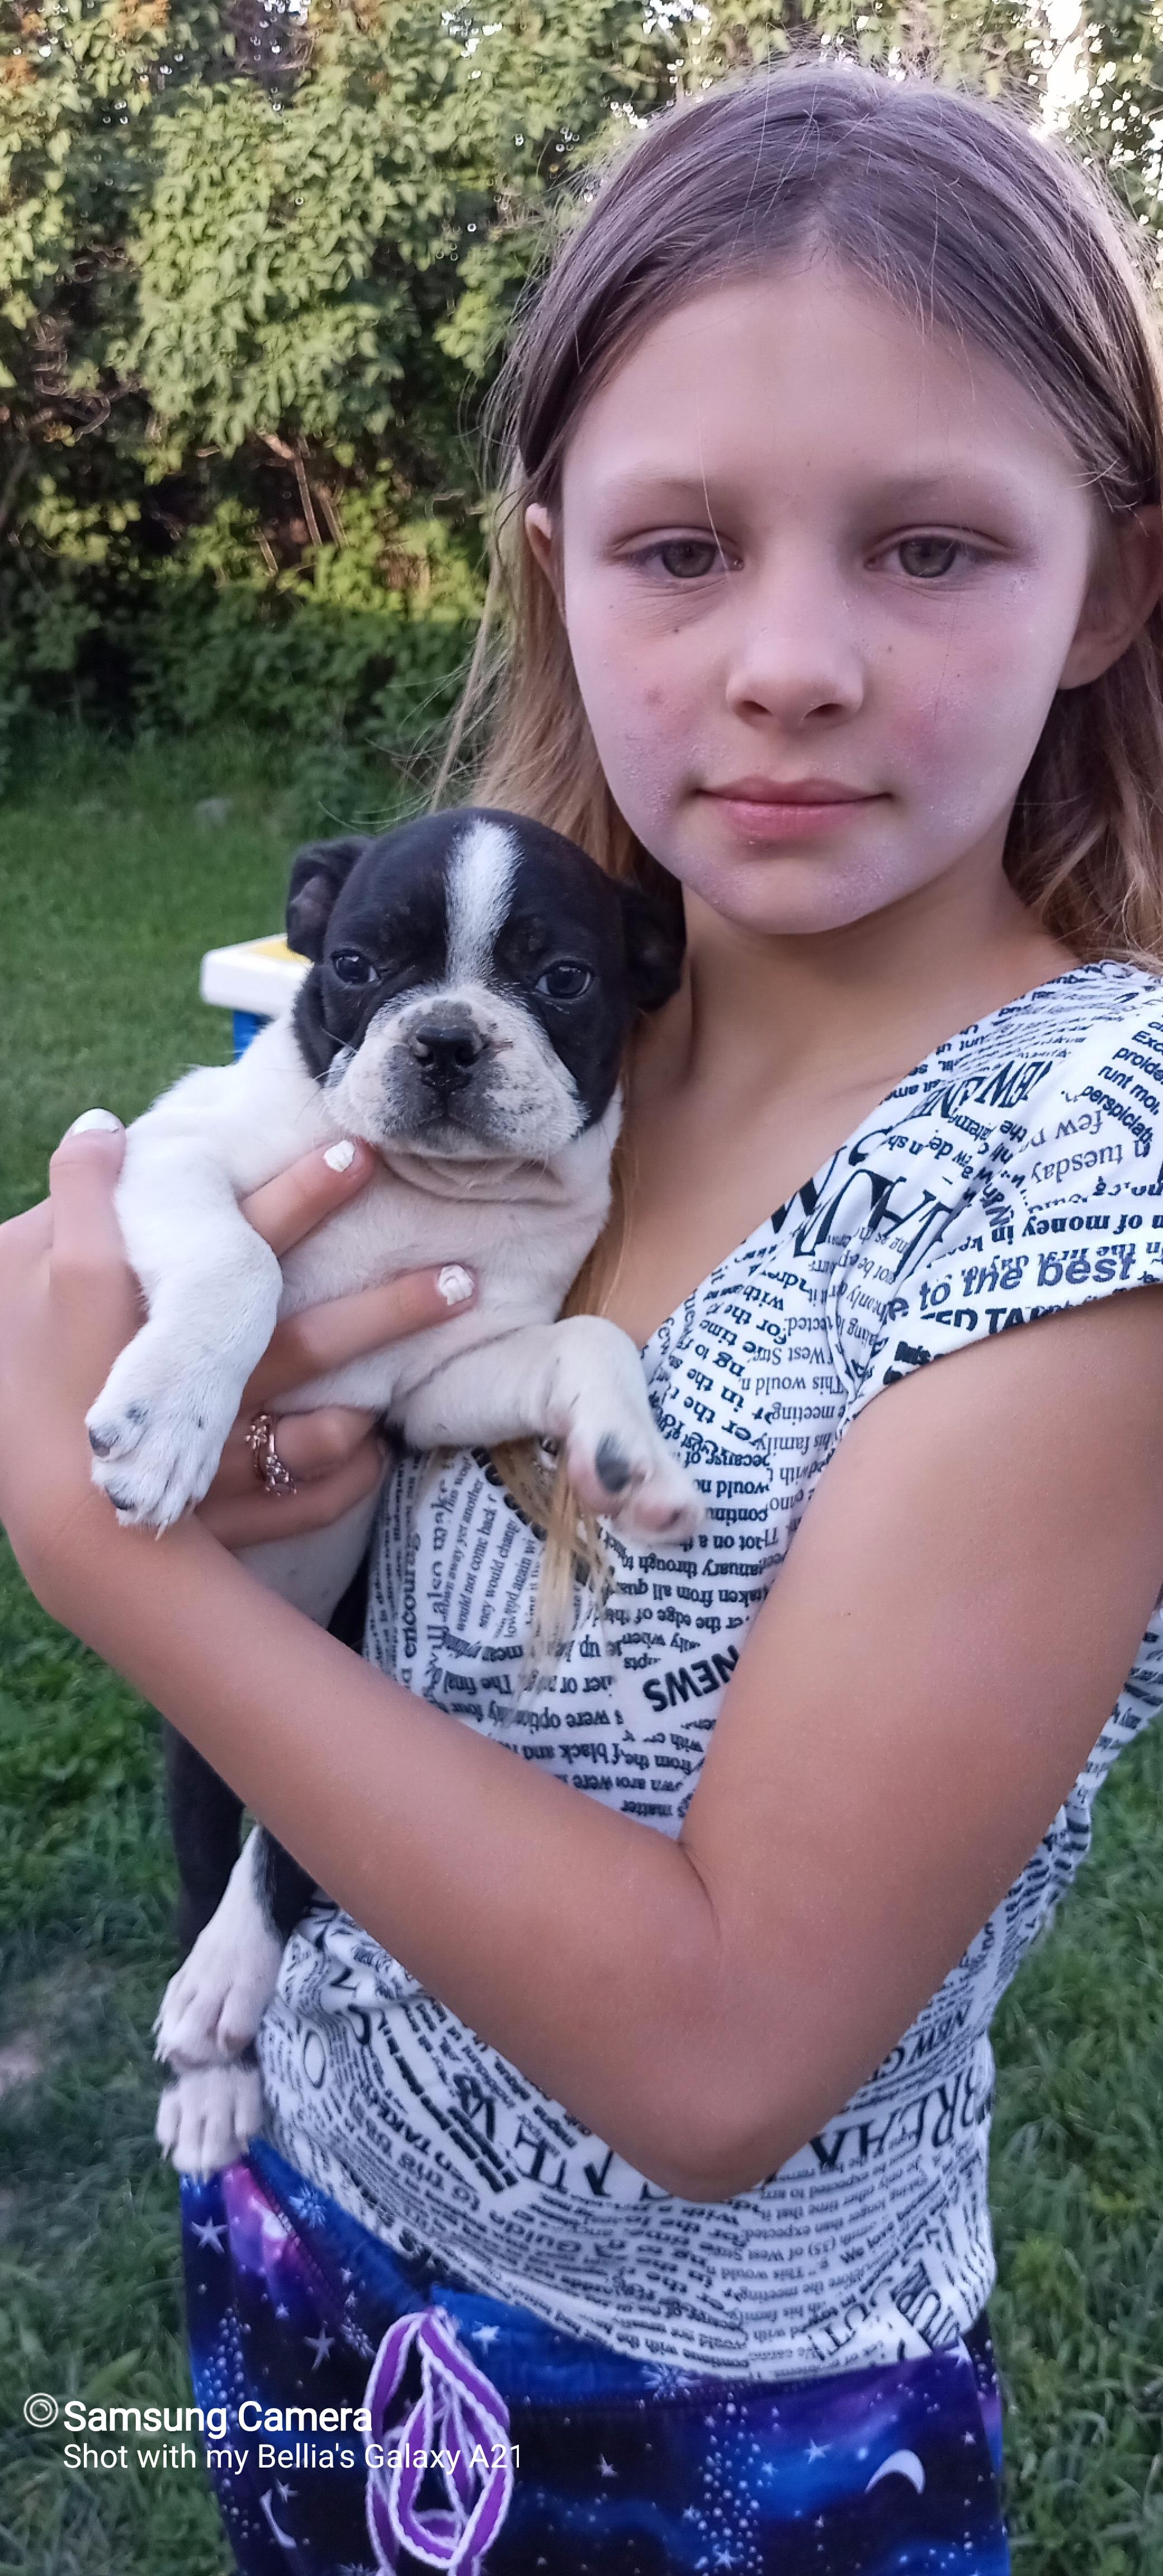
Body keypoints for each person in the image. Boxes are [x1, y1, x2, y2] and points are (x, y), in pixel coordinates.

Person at [4, 53, 1163, 2576]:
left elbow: (725, 2052)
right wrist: (255, 1481)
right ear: (551, 570)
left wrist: (120, 1569)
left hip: (724, 2437)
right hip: (304, 2214)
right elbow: (354, 1570)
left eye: (932, 548)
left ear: (1110, 587)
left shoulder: (1090, 1172)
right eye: (678, 548)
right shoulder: (576, 1028)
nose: (788, 663)